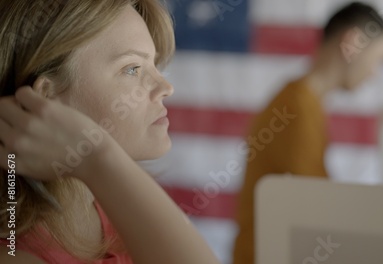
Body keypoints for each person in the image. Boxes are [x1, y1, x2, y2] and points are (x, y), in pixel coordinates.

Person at [0, 0, 220, 263]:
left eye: (154, 66)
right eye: (132, 69)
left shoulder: (118, 200)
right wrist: (96, 155)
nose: (165, 86)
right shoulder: (14, 252)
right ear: (45, 100)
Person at [232, 2, 383, 264]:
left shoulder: (304, 102)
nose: (374, 74)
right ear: (352, 42)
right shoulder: (296, 108)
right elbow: (318, 208)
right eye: (378, 60)